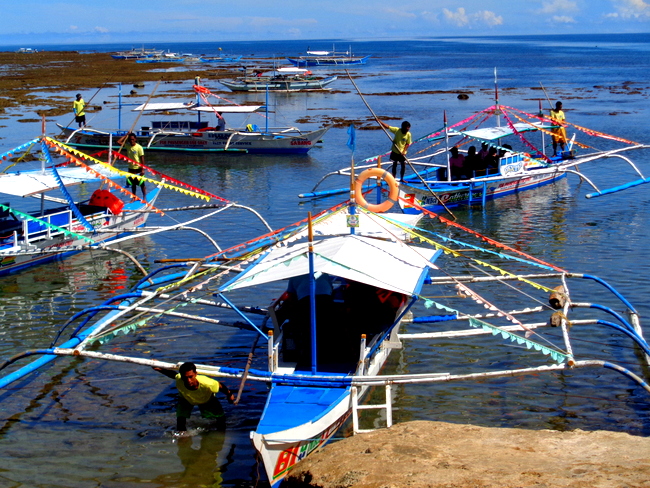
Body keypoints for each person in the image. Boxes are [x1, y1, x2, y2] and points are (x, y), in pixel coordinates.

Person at [154, 362, 235, 432]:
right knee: (180, 420)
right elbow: (172, 374)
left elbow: (221, 386)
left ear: (196, 374)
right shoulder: (179, 378)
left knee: (220, 420)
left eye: (190, 377)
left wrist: (229, 395)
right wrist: (160, 368)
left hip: (206, 399)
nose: (188, 381)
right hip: (186, 398)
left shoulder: (208, 383)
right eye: (185, 378)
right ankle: (183, 439)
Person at [117, 132, 147, 199]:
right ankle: (134, 197)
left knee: (142, 184)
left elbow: (142, 159)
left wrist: (142, 169)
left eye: (133, 139)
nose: (131, 141)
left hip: (138, 168)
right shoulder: (128, 146)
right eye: (130, 139)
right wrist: (126, 135)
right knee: (133, 184)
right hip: (131, 168)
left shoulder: (139, 147)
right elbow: (118, 142)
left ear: (135, 139)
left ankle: (144, 197)